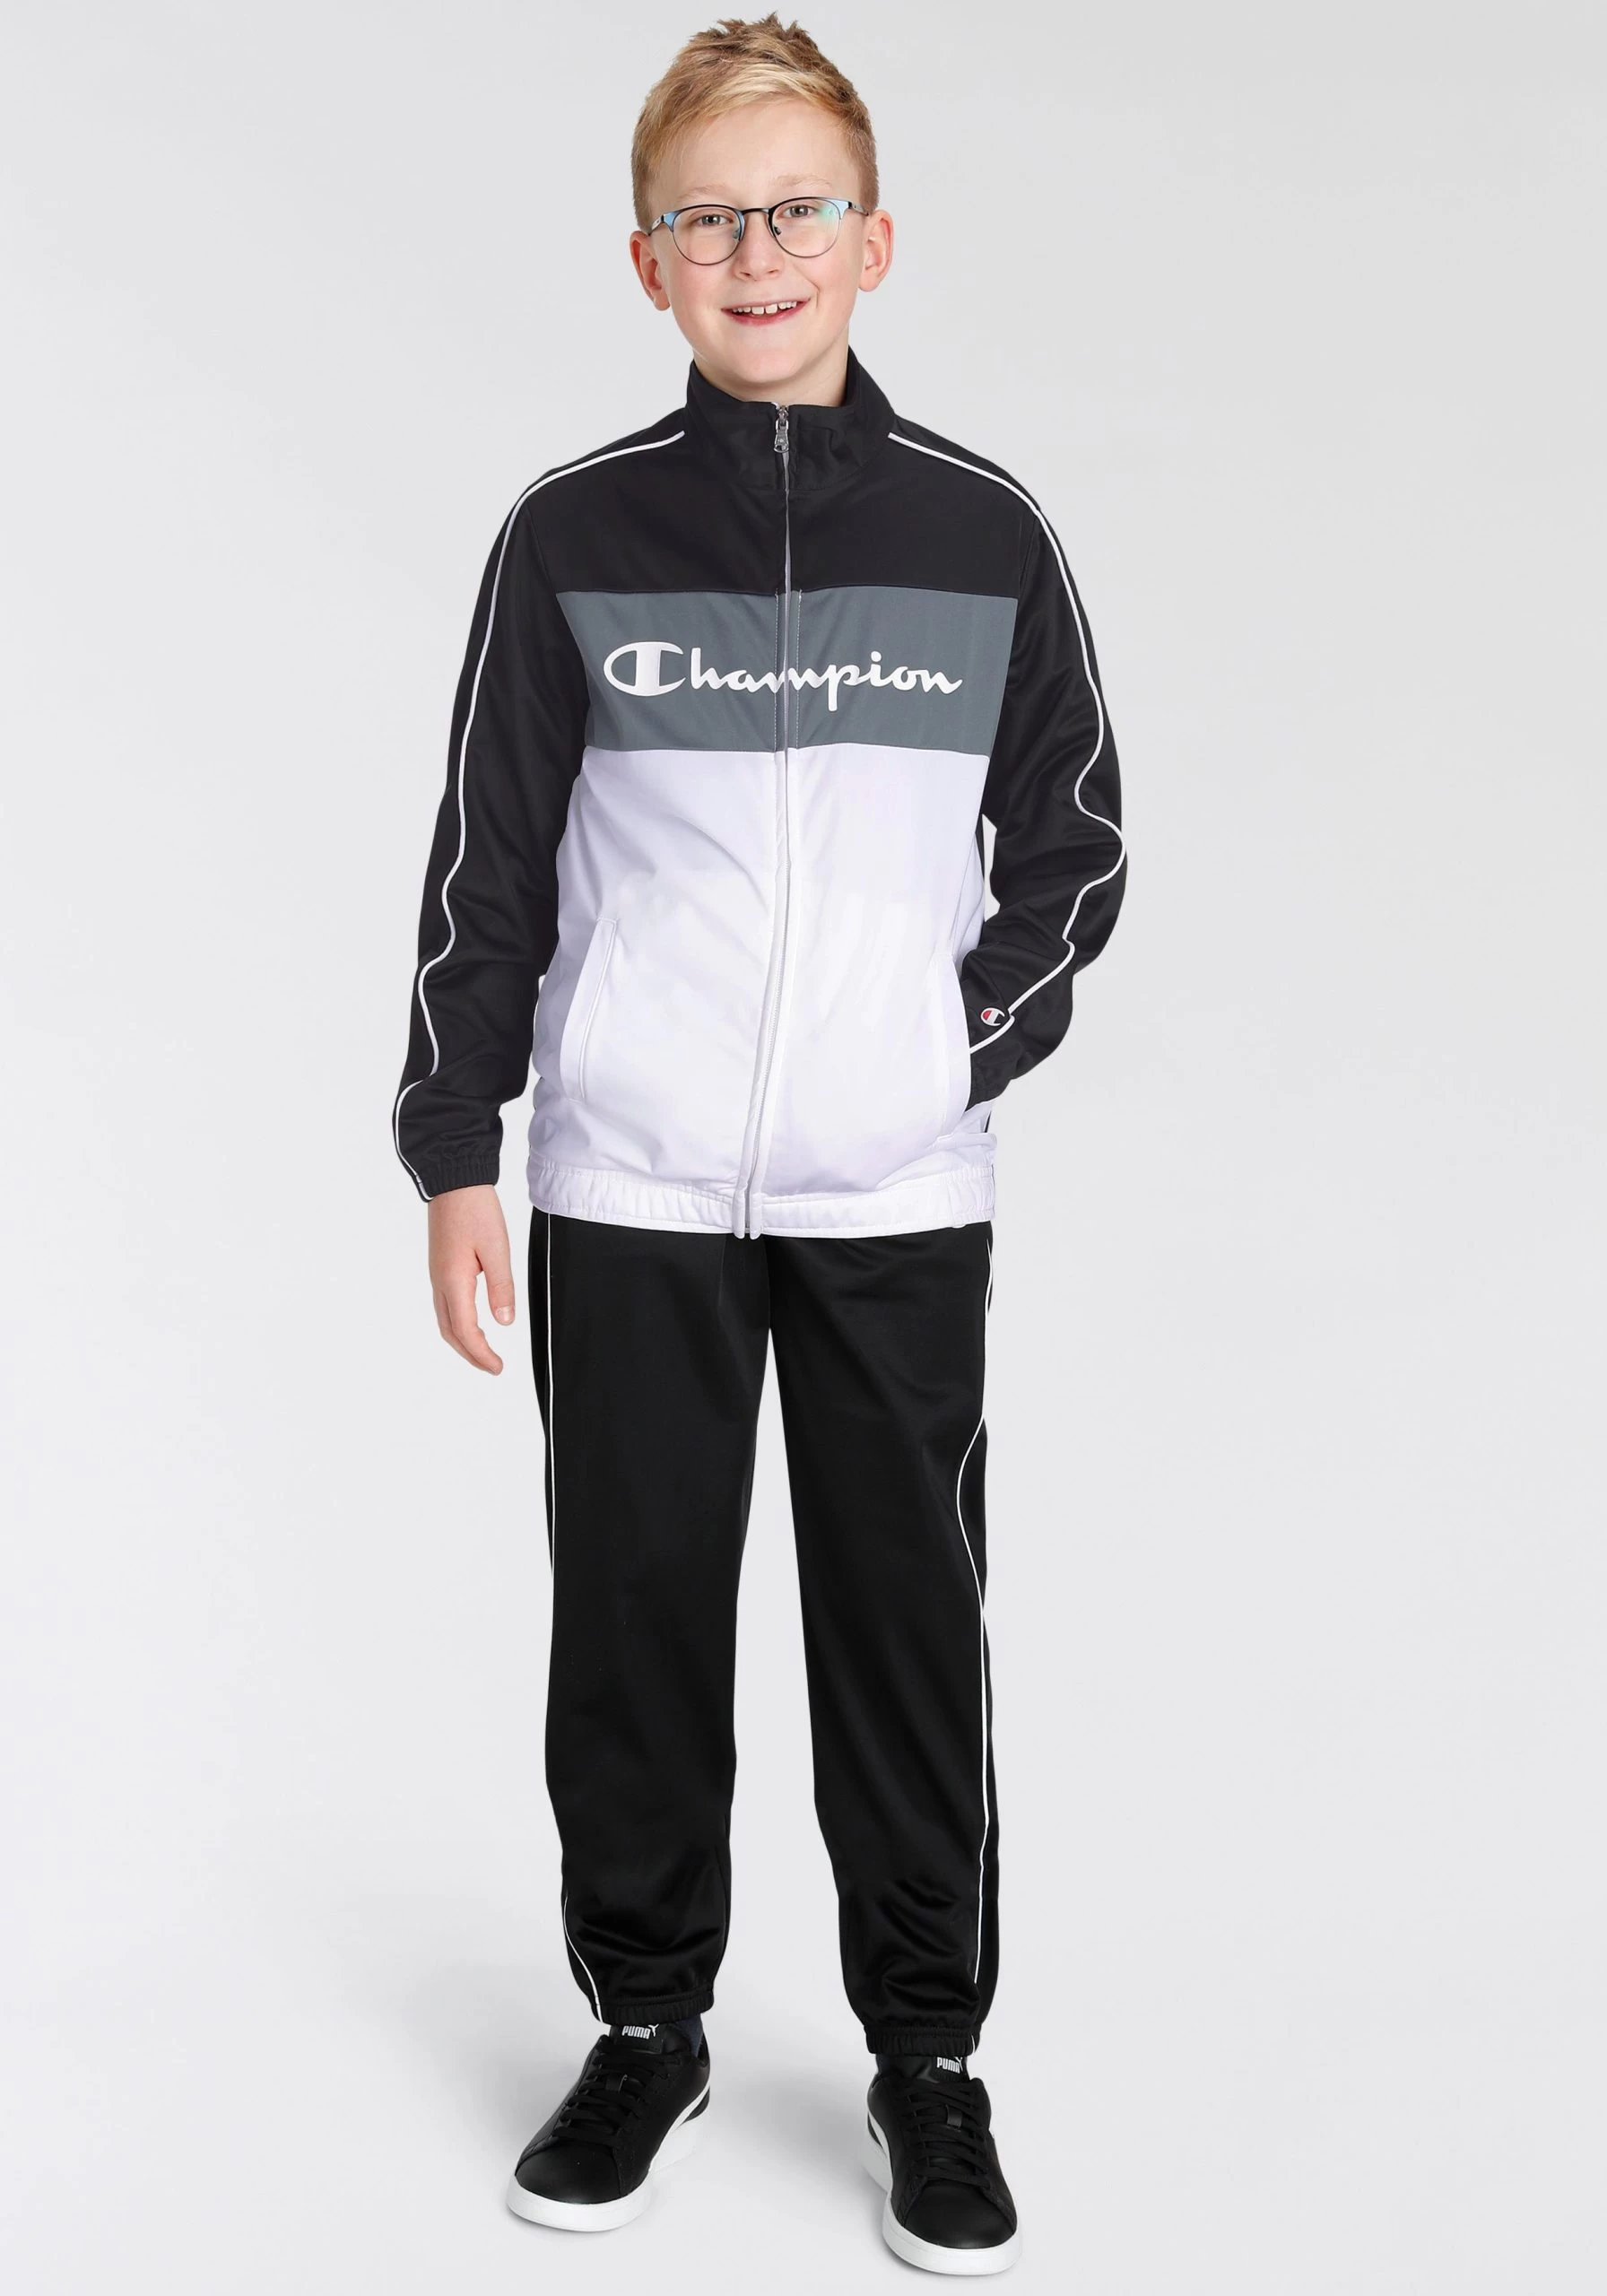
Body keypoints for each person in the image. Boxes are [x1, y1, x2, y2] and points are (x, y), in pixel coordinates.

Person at [392, 13, 1126, 2274]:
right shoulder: (570, 535)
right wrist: (456, 1144)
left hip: (895, 1191)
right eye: (706, 219)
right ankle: (646, 2022)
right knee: (630, 1621)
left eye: (796, 207)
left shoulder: (982, 532)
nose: (755, 250)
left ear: (871, 240)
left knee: (904, 1625)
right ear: (648, 263)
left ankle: (925, 2056)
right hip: (623, 1185)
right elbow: (484, 869)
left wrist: (940, 1047)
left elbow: (1076, 846)